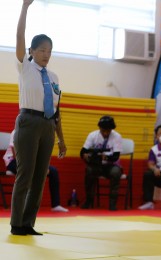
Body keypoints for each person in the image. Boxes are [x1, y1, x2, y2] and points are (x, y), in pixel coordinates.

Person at [10, 0, 67, 236]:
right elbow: (20, 36)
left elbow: (57, 109)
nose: (46, 54)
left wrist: (61, 139)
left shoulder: (53, 76)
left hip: (47, 125)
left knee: (40, 176)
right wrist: (25, 7)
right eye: (42, 50)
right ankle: (16, 224)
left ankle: (28, 223)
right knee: (25, 173)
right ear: (32, 51)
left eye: (49, 51)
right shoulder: (25, 66)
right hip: (28, 122)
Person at [3, 130, 68, 212]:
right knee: (29, 170)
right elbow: (16, 153)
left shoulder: (37, 132)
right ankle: (23, 205)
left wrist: (43, 166)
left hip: (31, 162)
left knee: (53, 171)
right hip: (14, 161)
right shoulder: (17, 131)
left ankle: (55, 205)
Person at [80, 115, 122, 211]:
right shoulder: (92, 135)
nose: (106, 133)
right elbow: (82, 152)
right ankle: (89, 200)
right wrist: (85, 156)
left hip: (111, 165)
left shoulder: (117, 136)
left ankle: (112, 203)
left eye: (108, 130)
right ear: (99, 128)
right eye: (103, 130)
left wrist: (105, 157)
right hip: (96, 165)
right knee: (89, 170)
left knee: (116, 172)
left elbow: (116, 157)